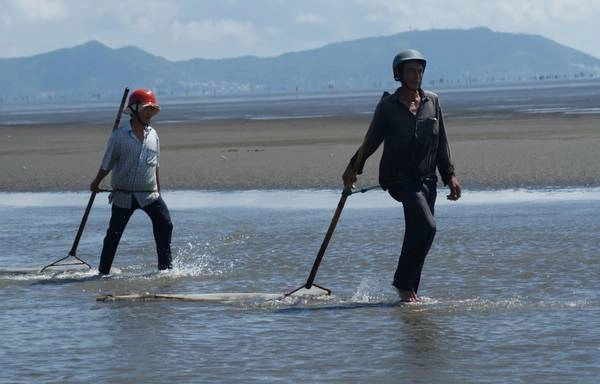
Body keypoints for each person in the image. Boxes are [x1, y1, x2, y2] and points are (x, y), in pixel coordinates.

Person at [342, 49, 461, 302]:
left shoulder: (433, 101)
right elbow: (371, 140)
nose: (417, 76)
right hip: (400, 179)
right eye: (411, 71)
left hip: (428, 180)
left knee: (417, 232)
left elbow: (442, 143)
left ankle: (410, 293)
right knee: (427, 227)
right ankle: (403, 284)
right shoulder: (388, 106)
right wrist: (354, 168)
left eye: (420, 70)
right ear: (399, 74)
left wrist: (449, 175)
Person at [90, 88, 173, 275]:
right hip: (123, 195)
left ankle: (165, 269)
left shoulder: (154, 135)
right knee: (114, 234)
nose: (149, 114)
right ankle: (103, 272)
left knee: (165, 224)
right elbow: (107, 163)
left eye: (152, 111)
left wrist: (159, 191)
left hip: (149, 194)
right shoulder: (119, 137)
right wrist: (96, 183)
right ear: (134, 110)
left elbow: (155, 164)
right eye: (146, 110)